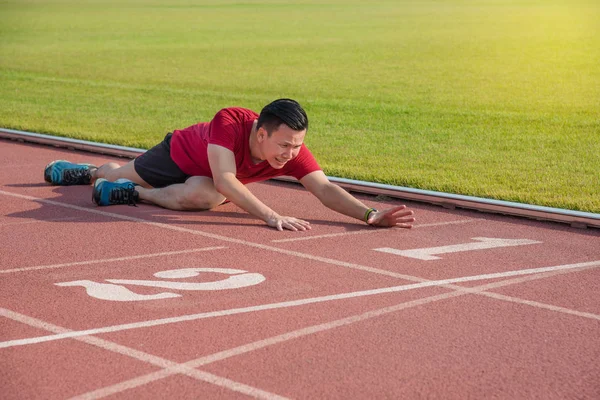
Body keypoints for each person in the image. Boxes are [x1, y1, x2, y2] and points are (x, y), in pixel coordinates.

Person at [44, 98, 415, 231]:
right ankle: (93, 171)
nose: (290, 153)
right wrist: (272, 216)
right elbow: (225, 179)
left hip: (205, 182)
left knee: (202, 198)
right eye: (284, 144)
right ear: (260, 134)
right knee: (112, 173)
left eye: (297, 145)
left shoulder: (292, 150)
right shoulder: (230, 120)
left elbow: (325, 189)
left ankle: (133, 194)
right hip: (177, 156)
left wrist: (370, 215)